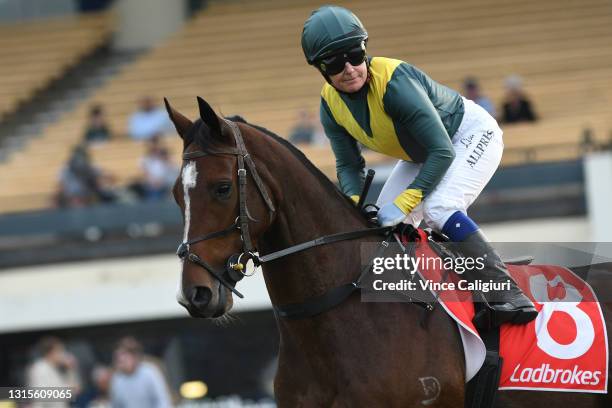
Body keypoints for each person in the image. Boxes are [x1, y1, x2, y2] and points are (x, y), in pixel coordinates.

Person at [301, 6, 537, 330]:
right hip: (422, 154)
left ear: (365, 49)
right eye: (334, 62)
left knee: (439, 207)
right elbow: (348, 165)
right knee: (380, 230)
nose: (350, 68)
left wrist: (407, 201)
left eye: (355, 54)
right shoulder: (330, 105)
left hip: (467, 135)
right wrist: (355, 203)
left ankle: (506, 292)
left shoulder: (394, 83)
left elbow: (441, 151)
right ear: (320, 68)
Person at [110, 337, 172, 408]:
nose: (120, 361)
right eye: (118, 359)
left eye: (124, 358)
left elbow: (163, 401)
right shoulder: (117, 379)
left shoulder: (149, 372)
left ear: (134, 357)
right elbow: (116, 405)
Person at [27, 337, 81, 408]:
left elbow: (75, 390)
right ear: (51, 352)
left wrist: (71, 369)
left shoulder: (56, 369)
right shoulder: (40, 369)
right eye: (60, 351)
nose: (63, 354)